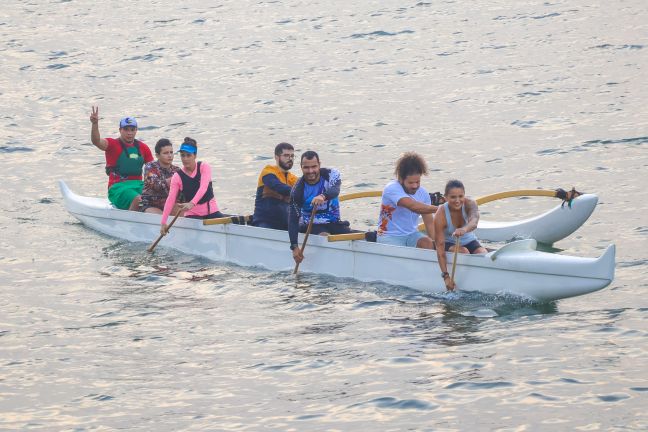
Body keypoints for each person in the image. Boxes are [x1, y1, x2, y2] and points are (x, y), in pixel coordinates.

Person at [289, 151, 351, 264]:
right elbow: (293, 219)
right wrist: (294, 247)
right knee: (324, 236)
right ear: (301, 168)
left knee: (351, 236)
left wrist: (323, 196)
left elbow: (335, 191)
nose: (310, 171)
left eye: (314, 166)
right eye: (306, 168)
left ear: (319, 164)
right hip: (310, 225)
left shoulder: (331, 174)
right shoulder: (297, 190)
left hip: (334, 222)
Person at [90, 106, 153, 210]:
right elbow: (96, 141)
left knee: (157, 198)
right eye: (126, 129)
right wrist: (95, 124)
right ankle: (131, 221)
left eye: (132, 130)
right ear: (120, 130)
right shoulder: (112, 144)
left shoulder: (143, 148)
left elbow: (153, 169)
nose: (129, 133)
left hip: (139, 185)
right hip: (117, 187)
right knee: (139, 200)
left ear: (136, 130)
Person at [159, 137, 222, 235]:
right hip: (193, 215)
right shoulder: (177, 176)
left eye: (188, 155)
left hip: (212, 212)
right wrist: (163, 223)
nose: (185, 159)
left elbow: (203, 188)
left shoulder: (204, 167)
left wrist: (191, 203)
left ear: (195, 155)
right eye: (182, 155)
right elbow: (170, 199)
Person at [434, 179, 488, 291]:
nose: (457, 200)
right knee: (464, 252)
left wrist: (464, 229)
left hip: (469, 240)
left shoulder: (470, 203)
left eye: (460, 196)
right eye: (453, 197)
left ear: (464, 195)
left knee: (483, 254)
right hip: (449, 242)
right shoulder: (440, 214)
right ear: (445, 198)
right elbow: (439, 247)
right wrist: (446, 277)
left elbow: (474, 221)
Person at [376, 151, 438, 249]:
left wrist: (437, 246)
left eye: (418, 182)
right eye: (410, 182)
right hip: (389, 236)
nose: (415, 186)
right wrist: (442, 208)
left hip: (412, 235)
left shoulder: (423, 193)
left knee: (428, 243)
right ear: (400, 179)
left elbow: (429, 223)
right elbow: (413, 206)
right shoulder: (392, 188)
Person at [252, 142, 298, 230]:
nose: (290, 158)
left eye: (292, 156)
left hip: (284, 222)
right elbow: (277, 186)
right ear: (277, 157)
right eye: (286, 155)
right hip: (264, 222)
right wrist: (299, 192)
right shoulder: (268, 171)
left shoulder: (292, 178)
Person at [140, 139, 182, 214]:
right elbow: (157, 186)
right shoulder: (150, 167)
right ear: (157, 155)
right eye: (165, 153)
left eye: (171, 152)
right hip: (151, 204)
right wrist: (174, 179)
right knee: (160, 217)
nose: (170, 155)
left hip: (170, 204)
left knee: (185, 212)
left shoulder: (177, 170)